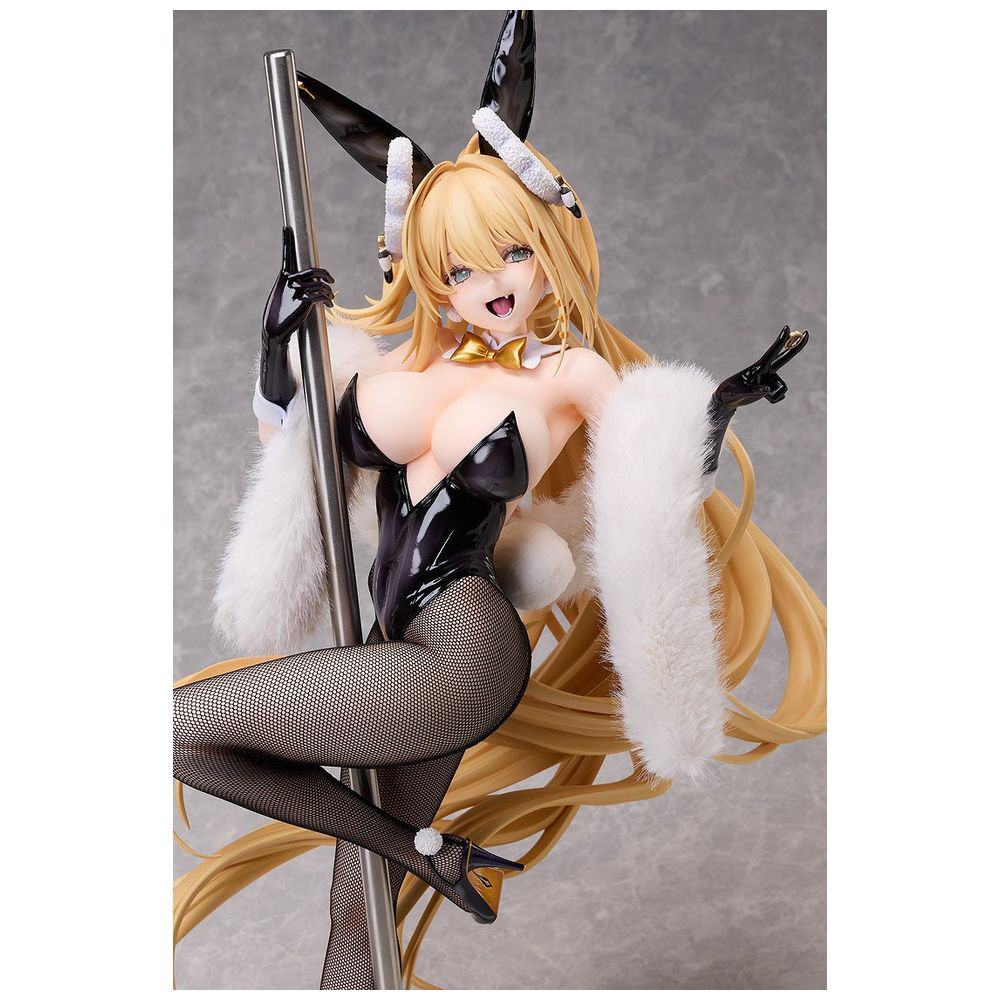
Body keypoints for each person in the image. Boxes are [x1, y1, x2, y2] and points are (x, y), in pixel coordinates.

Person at [174, 11, 823, 990]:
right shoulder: (395, 374)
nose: (493, 282)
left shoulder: (564, 376)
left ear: (546, 249)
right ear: (432, 281)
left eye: (511, 251)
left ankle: (421, 851)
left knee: (178, 728)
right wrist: (278, 341)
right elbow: (291, 449)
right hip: (396, 647)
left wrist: (721, 406)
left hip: (462, 650)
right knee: (356, 912)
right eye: (461, 267)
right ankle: (424, 855)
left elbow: (648, 480)